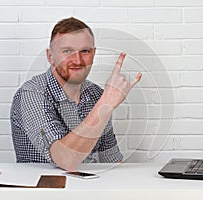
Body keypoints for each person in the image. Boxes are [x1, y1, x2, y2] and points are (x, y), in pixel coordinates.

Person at [10, 17, 142, 171]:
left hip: (89, 190)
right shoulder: (32, 94)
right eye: (67, 51)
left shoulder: (97, 95)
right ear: (50, 56)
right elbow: (64, 160)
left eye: (85, 51)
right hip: (45, 192)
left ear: (93, 54)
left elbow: (111, 162)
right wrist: (106, 103)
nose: (77, 60)